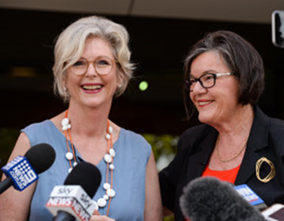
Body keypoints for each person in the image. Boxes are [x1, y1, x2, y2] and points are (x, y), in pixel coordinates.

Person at [0, 16, 162, 221]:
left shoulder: (140, 151)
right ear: (63, 77)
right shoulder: (33, 141)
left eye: (103, 63)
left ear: (120, 75)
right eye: (78, 63)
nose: (91, 72)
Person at [159, 30, 284, 221]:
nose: (196, 90)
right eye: (192, 81)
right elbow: (154, 202)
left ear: (243, 77)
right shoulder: (192, 142)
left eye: (208, 78)